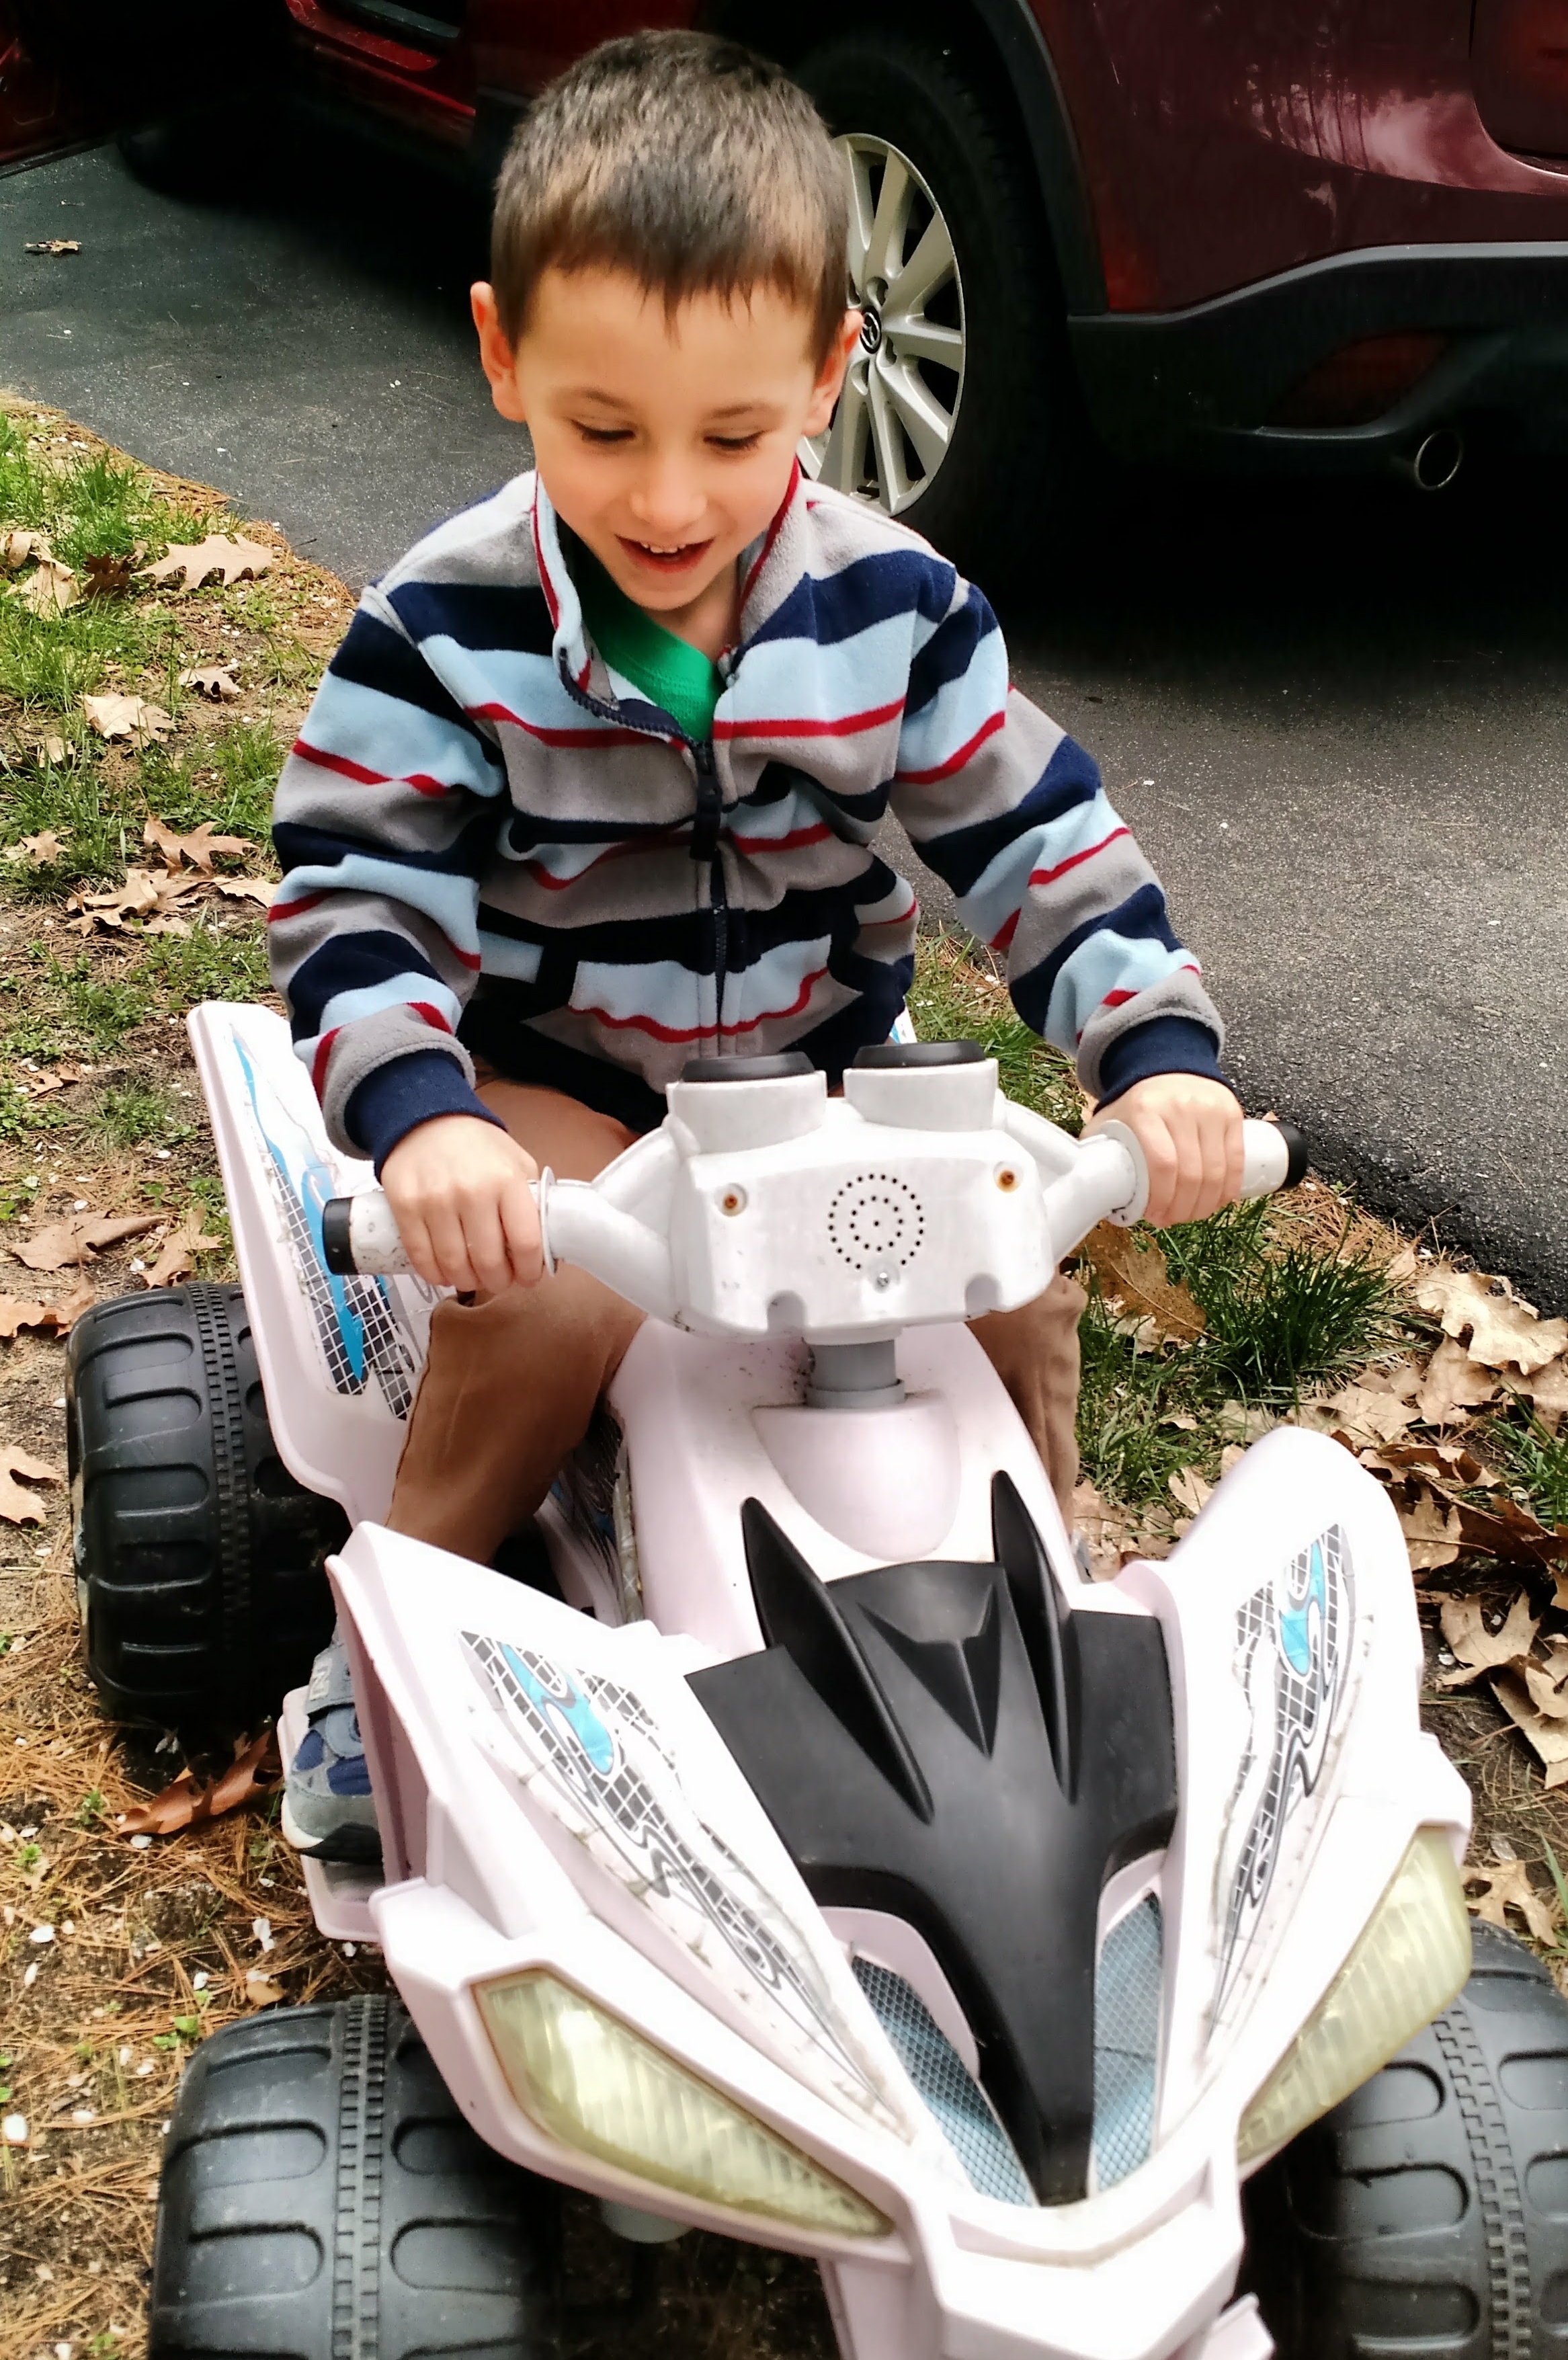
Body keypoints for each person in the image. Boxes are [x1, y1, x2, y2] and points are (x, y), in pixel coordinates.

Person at [269, 29, 1244, 1859]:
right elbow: (357, 891)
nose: (665, 502)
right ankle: (385, 1639)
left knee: (1015, 1273)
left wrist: (1156, 1054)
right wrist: (424, 1116)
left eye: (731, 436)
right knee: (552, 1302)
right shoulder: (440, 629)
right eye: (603, 430)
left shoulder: (899, 610)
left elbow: (1038, 839)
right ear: (502, 353)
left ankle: (1047, 1605)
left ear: (827, 371)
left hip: (824, 1068)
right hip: (567, 1078)